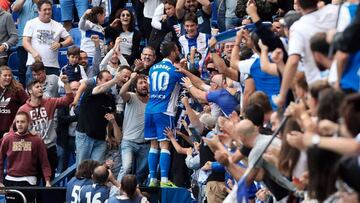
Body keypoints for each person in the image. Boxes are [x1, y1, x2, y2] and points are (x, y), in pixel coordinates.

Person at [277, 0, 338, 106]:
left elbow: (293, 61)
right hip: (341, 77)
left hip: (318, 88)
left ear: (298, 5)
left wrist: (282, 96)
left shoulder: (297, 27)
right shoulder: (334, 10)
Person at [17, 76, 73, 179]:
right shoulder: (23, 109)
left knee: (49, 180)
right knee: (34, 180)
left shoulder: (50, 102)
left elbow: (68, 100)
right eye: (37, 87)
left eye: (41, 86)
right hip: (32, 149)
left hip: (49, 148)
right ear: (29, 91)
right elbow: (16, 128)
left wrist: (66, 83)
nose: (40, 88)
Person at [145, 42, 184, 187]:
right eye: (177, 49)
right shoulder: (174, 70)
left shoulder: (152, 68)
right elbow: (187, 83)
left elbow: (149, 88)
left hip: (150, 109)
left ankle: (153, 180)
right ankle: (165, 180)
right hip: (164, 110)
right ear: (173, 51)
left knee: (153, 145)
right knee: (165, 145)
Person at [0, 111, 51, 202]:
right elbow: (0, 160)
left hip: (29, 181)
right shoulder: (8, 139)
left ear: (29, 123)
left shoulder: (37, 140)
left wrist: (47, 181)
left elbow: (44, 162)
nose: (19, 124)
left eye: (23, 122)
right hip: (10, 180)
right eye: (18, 122)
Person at [115, 73, 149, 189]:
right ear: (135, 87)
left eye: (145, 82)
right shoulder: (131, 96)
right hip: (128, 141)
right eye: (140, 83)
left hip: (145, 143)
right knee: (126, 167)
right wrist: (131, 79)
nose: (144, 85)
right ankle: (116, 193)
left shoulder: (152, 100)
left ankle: (134, 194)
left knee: (141, 173)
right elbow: (121, 93)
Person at [75, 70, 116, 165]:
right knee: (82, 169)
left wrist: (108, 135)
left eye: (110, 80)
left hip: (101, 139)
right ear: (98, 80)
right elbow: (97, 90)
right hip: (85, 135)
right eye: (106, 80)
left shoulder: (111, 98)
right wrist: (115, 80)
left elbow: (110, 118)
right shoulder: (90, 89)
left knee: (97, 170)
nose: (109, 83)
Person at [23, 0, 73, 76]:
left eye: (49, 9)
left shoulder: (57, 25)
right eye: (45, 10)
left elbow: (70, 40)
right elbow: (25, 42)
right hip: (34, 64)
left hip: (52, 66)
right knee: (32, 87)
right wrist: (34, 52)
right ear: (38, 11)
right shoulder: (31, 23)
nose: (47, 12)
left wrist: (60, 44)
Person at [11, 0, 39, 87]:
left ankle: (37, 90)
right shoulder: (22, 1)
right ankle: (24, 94)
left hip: (37, 42)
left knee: (37, 69)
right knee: (22, 69)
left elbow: (46, 9)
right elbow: (14, 9)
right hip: (22, 42)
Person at [56, 81, 80, 172]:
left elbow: (82, 117)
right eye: (73, 90)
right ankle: (59, 186)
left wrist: (75, 106)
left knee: (79, 165)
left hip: (78, 138)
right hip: (64, 137)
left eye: (77, 89)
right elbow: (61, 119)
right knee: (62, 165)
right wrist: (76, 117)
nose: (75, 92)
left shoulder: (83, 102)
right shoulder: (63, 102)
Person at [0, 66, 28, 138]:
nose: (8, 77)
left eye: (10, 75)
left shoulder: (17, 89)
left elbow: (27, 105)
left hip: (13, 129)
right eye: (5, 75)